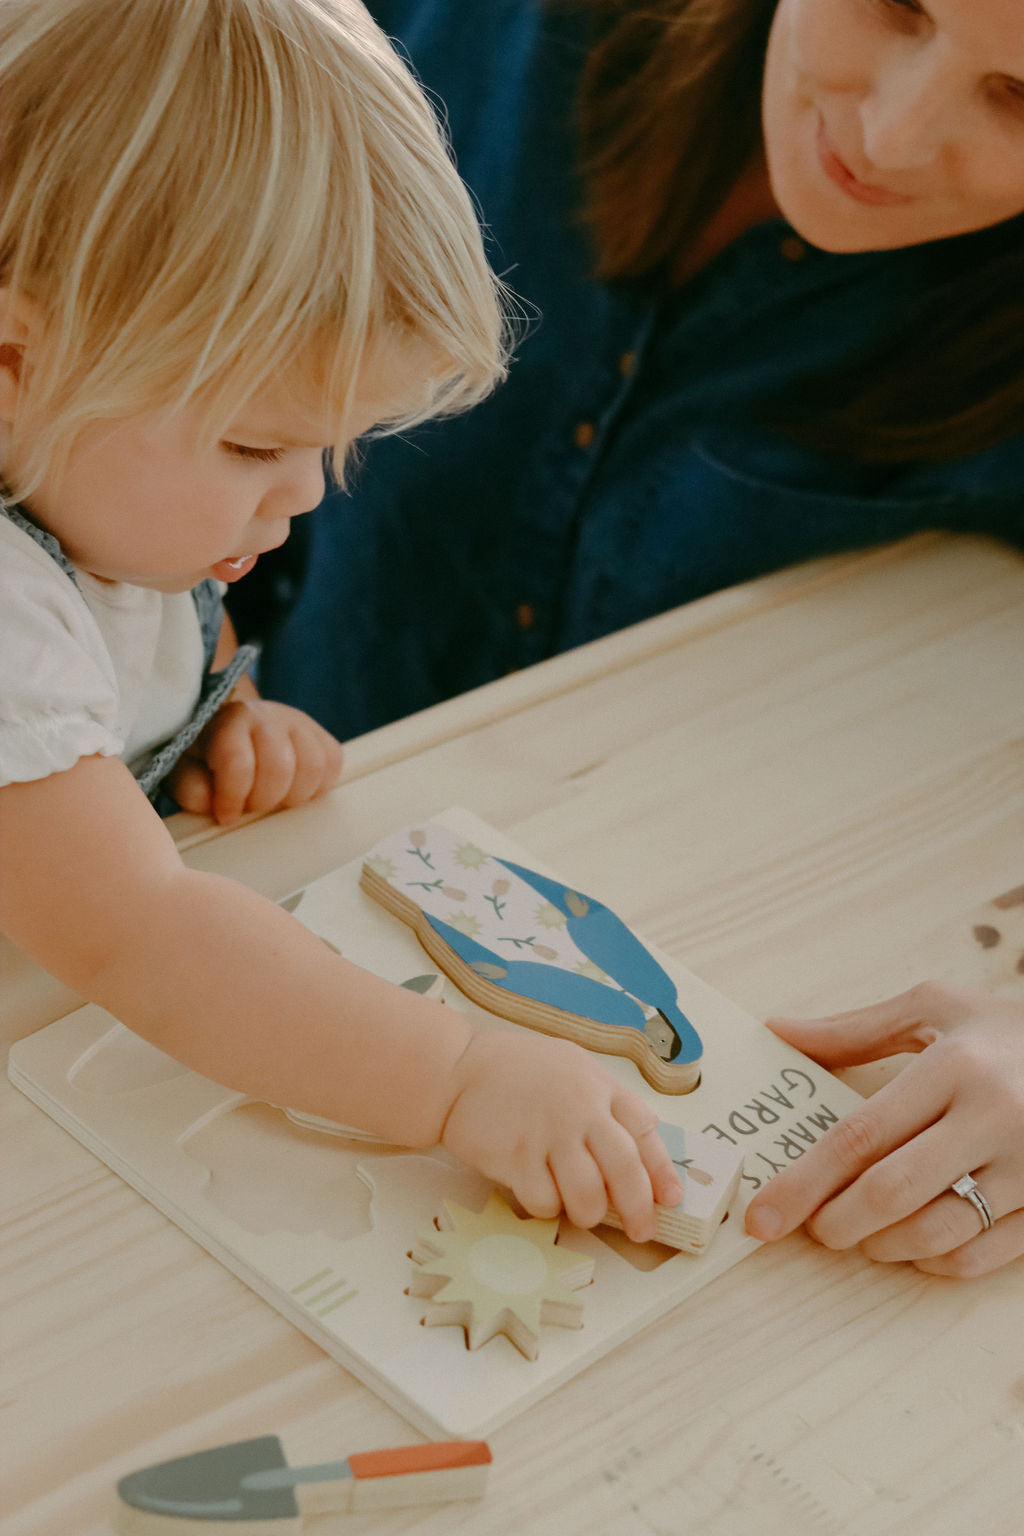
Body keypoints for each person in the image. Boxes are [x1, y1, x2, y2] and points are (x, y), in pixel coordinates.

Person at [245, 0, 1024, 1275]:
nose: (890, 133)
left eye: (1020, 102)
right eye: (892, 5)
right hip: (246, 855)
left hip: (681, 1076)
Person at [0, 0, 685, 1246]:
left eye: (329, 445)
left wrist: (217, 720)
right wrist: (457, 1081)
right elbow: (142, 938)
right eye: (260, 443)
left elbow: (139, 640)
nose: (309, 493)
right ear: (11, 361)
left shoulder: (96, 474)